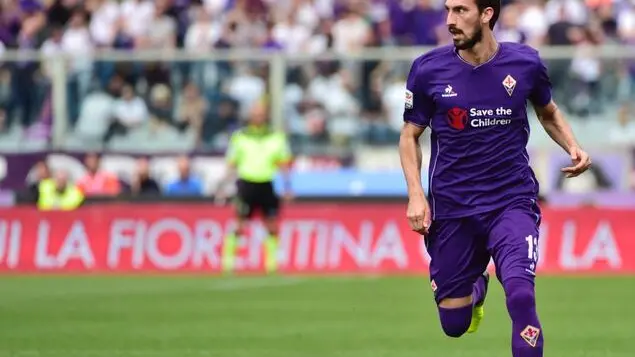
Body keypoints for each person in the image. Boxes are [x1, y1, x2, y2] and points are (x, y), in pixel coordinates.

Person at [398, 1, 591, 357]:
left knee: (520, 292)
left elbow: (547, 111)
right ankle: (476, 287)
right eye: (448, 11)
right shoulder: (428, 70)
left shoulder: (525, 63)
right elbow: (409, 135)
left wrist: (573, 145)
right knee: (454, 324)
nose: (450, 21)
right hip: (453, 208)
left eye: (461, 11)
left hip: (511, 200)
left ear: (487, 14)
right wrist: (415, 195)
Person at [215, 100, 293, 274]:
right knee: (240, 223)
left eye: (261, 113)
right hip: (246, 183)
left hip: (266, 183)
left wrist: (287, 186)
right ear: (250, 116)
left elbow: (284, 164)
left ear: (266, 116)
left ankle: (271, 263)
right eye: (255, 113)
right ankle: (228, 260)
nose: (258, 116)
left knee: (271, 224)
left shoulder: (276, 137)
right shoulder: (240, 137)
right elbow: (231, 164)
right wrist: (223, 186)